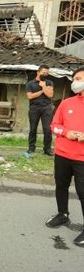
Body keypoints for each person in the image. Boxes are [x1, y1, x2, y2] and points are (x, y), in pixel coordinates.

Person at [45, 67, 84, 247]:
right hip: (62, 154)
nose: (75, 81)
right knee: (61, 185)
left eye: (79, 78)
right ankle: (63, 214)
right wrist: (66, 132)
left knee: (82, 193)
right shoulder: (67, 103)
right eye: (75, 78)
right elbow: (54, 125)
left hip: (82, 158)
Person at [26, 64, 54, 156]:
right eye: (43, 73)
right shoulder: (30, 83)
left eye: (47, 73)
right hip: (34, 107)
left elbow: (50, 95)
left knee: (47, 129)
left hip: (47, 108)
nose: (45, 74)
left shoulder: (49, 82)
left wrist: (44, 86)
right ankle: (31, 148)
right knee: (33, 128)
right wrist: (42, 91)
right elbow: (30, 96)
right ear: (38, 72)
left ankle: (47, 149)